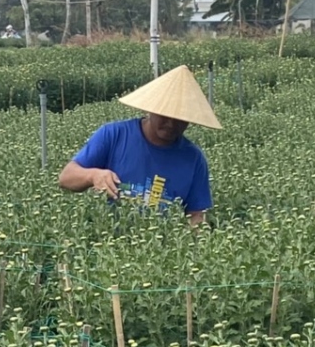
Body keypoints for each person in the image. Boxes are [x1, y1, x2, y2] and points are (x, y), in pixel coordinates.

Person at [59, 64, 221, 226]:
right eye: (165, 115)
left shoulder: (193, 159)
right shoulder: (114, 135)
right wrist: (93, 176)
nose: (171, 124)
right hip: (109, 240)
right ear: (151, 108)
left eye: (180, 118)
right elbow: (66, 178)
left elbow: (197, 214)